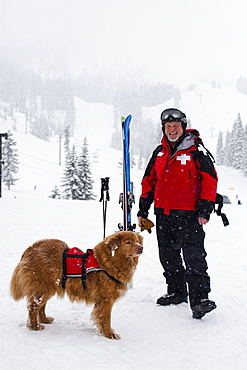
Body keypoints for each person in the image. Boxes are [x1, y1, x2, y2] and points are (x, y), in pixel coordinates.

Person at [137, 108, 218, 319]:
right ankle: (177, 292)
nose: (172, 130)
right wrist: (143, 209)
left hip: (189, 215)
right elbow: (148, 181)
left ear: (183, 127)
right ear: (163, 129)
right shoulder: (159, 152)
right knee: (168, 255)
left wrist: (204, 209)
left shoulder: (196, 151)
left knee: (194, 257)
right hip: (163, 213)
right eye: (168, 127)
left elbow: (210, 181)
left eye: (176, 126)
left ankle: (200, 299)